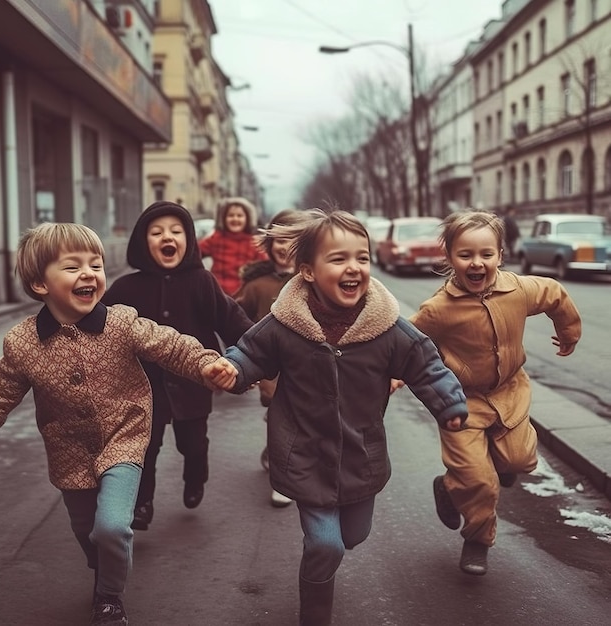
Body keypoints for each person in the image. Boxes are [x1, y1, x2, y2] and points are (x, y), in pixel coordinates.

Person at [206, 208, 468, 626]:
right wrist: (231, 370)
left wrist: (449, 404)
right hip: (303, 452)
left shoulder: (386, 327)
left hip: (361, 454)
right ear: (308, 271)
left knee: (352, 536)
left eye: (362, 258)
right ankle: (314, 611)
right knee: (325, 544)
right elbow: (249, 353)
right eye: (339, 259)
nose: (354, 268)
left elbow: (425, 363)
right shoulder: (285, 324)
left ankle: (325, 558)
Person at [0, 222, 235, 625]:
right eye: (73, 267)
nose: (89, 274)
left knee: (111, 528)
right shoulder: (23, 343)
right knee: (87, 531)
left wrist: (207, 363)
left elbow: (170, 344)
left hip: (125, 436)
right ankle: (103, 568)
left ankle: (109, 597)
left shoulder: (121, 323)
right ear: (39, 284)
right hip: (67, 451)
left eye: (96, 265)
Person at [409, 209, 581, 576]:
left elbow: (555, 293)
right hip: (460, 402)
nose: (477, 263)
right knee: (480, 482)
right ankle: (477, 540)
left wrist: (569, 334)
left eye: (486, 254)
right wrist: (391, 377)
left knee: (520, 462)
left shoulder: (518, 290)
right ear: (450, 257)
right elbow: (408, 344)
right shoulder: (438, 309)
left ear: (501, 255)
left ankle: (451, 485)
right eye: (465, 254)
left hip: (509, 393)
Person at [102, 201, 253, 530]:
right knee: (146, 448)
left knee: (192, 443)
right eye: (156, 232)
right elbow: (97, 322)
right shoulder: (128, 287)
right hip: (143, 387)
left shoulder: (201, 281)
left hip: (193, 383)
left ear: (188, 241)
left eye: (175, 231)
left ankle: (196, 474)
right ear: (144, 243)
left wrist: (254, 358)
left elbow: (232, 322)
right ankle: (142, 504)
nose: (166, 237)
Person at [233, 208, 306, 508]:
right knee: (282, 413)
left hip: (307, 365)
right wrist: (242, 358)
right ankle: (282, 468)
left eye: (293, 241)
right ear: (269, 244)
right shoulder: (257, 284)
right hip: (271, 367)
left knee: (299, 415)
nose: (284, 247)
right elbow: (235, 317)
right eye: (278, 240)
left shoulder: (313, 280)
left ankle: (285, 462)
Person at [198, 196, 268, 295]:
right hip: (218, 293)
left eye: (239, 216)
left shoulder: (254, 243)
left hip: (244, 294)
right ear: (223, 219)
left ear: (247, 218)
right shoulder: (216, 239)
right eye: (231, 215)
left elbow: (266, 265)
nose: (235, 219)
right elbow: (194, 252)